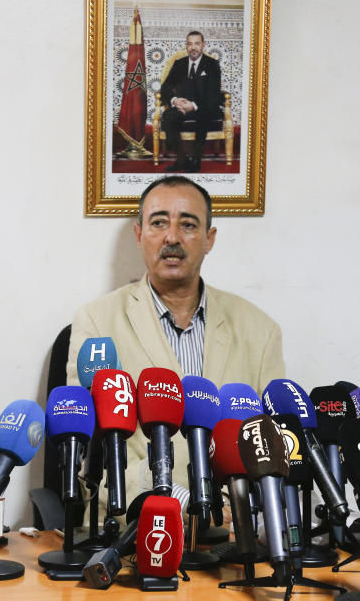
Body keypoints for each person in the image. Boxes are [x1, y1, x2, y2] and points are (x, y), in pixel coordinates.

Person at [66, 175, 285, 503]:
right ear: (139, 235)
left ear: (209, 239)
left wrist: (239, 509)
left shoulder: (260, 330)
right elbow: (87, 455)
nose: (171, 237)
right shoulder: (97, 321)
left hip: (234, 523)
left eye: (188, 225)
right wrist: (177, 499)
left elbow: (275, 447)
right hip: (136, 521)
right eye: (158, 223)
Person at [159, 31, 222, 173]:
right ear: (186, 46)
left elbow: (213, 93)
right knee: (168, 117)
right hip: (182, 106)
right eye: (190, 44)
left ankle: (196, 159)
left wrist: (193, 106)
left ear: (203, 45)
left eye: (197, 44)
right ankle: (182, 160)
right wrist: (175, 101)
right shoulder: (179, 64)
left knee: (204, 115)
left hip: (204, 106)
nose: (193, 47)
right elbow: (166, 87)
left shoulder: (212, 65)